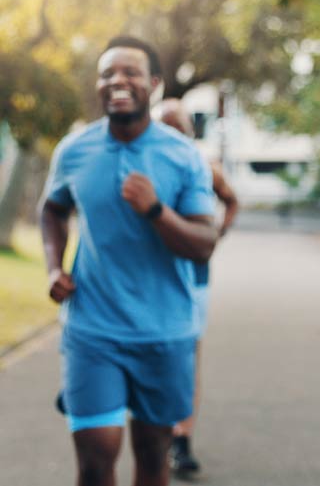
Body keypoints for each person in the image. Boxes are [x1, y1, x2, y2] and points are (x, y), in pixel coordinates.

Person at [39, 36, 218, 486]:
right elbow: (53, 208)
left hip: (164, 332)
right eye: (107, 74)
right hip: (92, 330)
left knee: (153, 455)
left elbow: (203, 242)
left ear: (153, 84)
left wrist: (156, 211)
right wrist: (54, 266)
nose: (118, 81)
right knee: (97, 458)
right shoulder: (74, 151)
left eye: (130, 72)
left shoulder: (182, 157)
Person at [152, 98, 239, 477]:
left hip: (193, 278)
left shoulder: (204, 164)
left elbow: (232, 200)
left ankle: (181, 439)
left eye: (179, 128)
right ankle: (156, 433)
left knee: (187, 357)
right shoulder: (146, 164)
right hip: (150, 277)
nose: (173, 134)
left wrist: (216, 235)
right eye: (165, 127)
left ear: (190, 131)